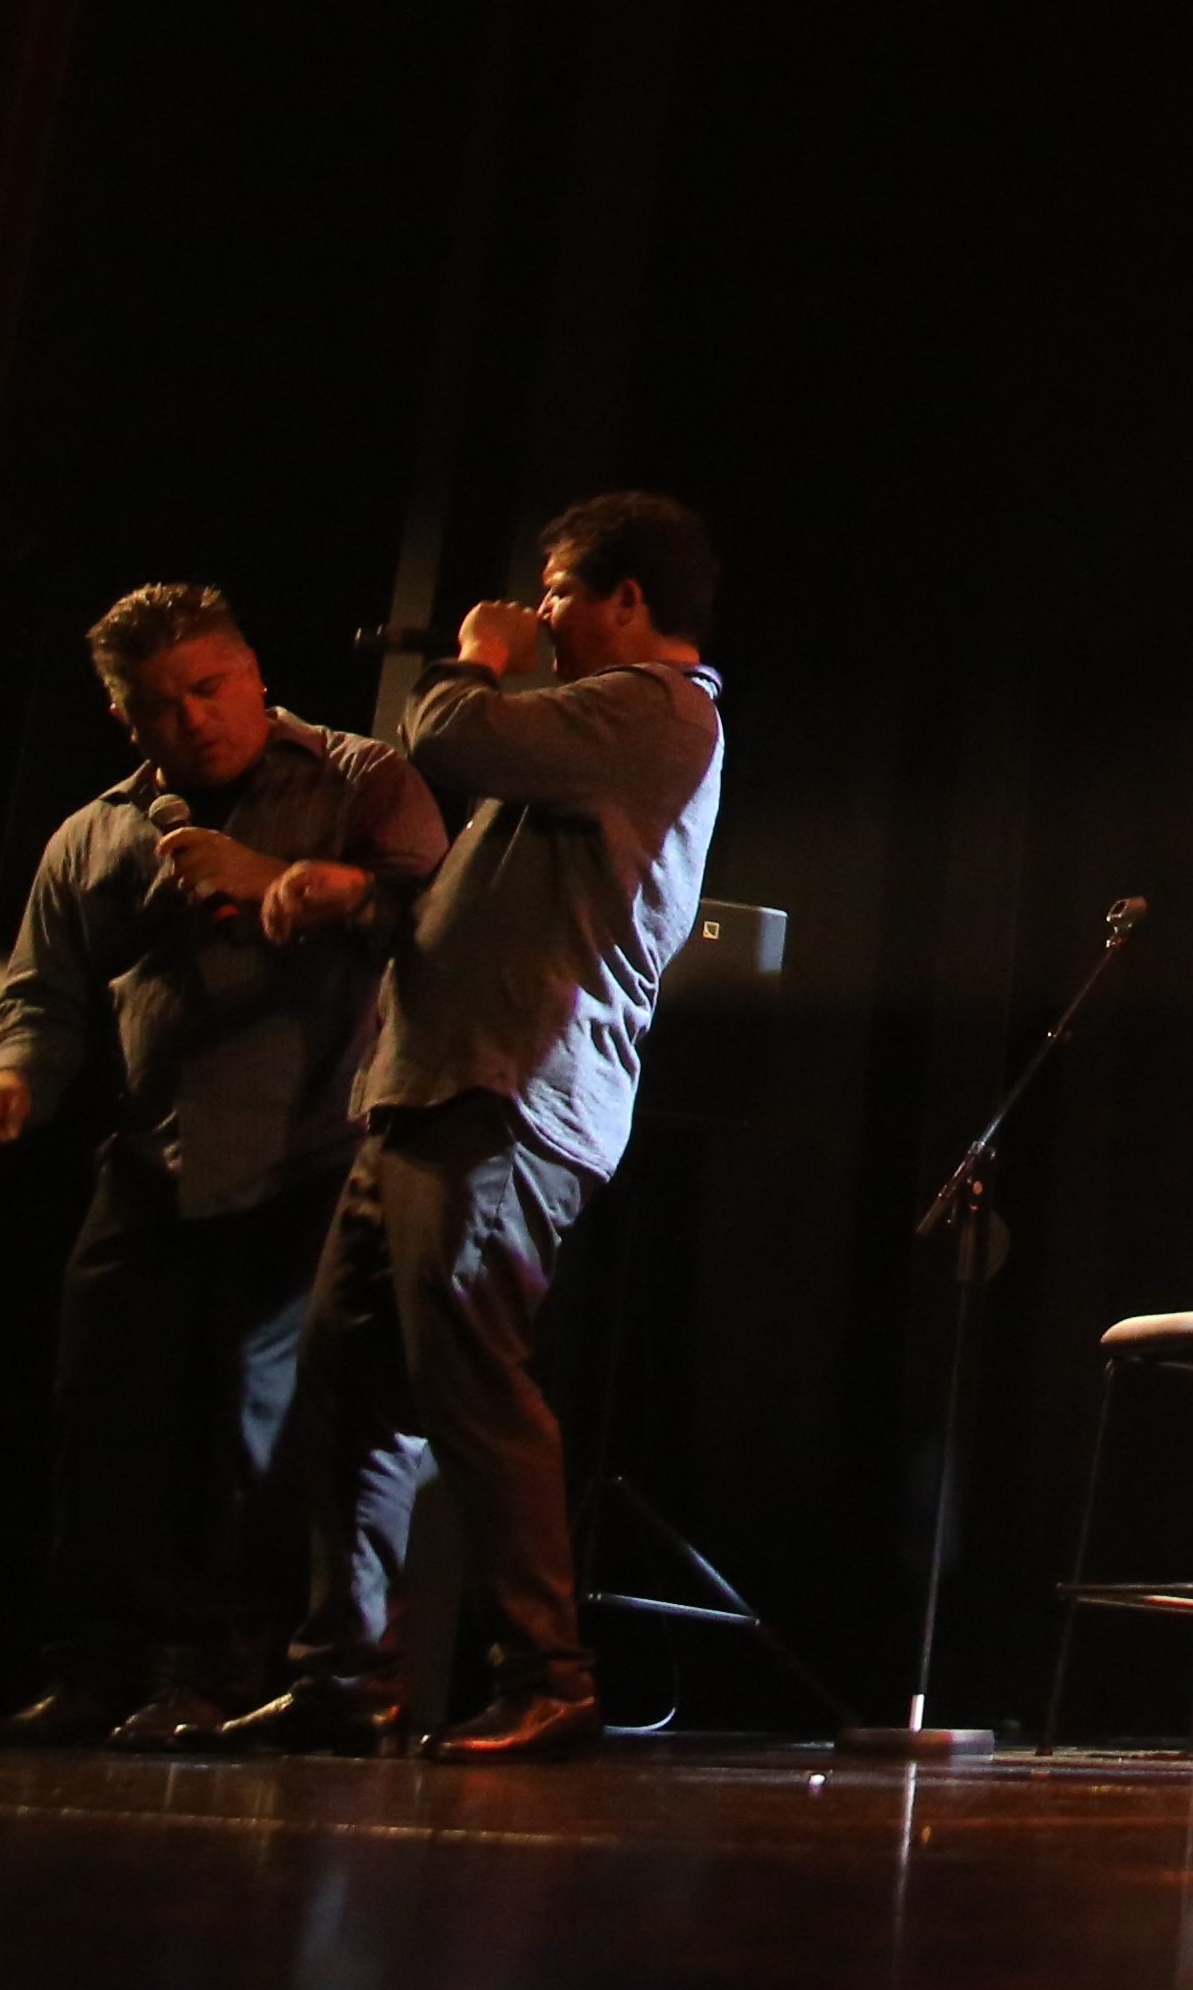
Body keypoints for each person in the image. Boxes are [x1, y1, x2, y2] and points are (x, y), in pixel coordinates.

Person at [218, 490, 728, 1764]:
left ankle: (548, 1676)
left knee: (470, 1378)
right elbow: (479, 903)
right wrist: (358, 903)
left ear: (627, 599)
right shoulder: (579, 732)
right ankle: (348, 1673)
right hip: (431, 1082)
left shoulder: (656, 709)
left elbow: (445, 734)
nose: (539, 611)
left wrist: (478, 656)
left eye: (557, 589)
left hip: (509, 1093)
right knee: (349, 1382)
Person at [0, 588, 445, 1746]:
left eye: (210, 689)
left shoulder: (359, 781)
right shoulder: (94, 836)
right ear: (126, 720)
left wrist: (280, 879)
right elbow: (43, 997)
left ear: (253, 672)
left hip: (315, 1157)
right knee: (106, 1425)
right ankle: (96, 1669)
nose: (194, 721)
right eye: (160, 706)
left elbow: (438, 932)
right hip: (156, 1159)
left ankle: (224, 1674)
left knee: (261, 1439)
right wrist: (11, 1081)